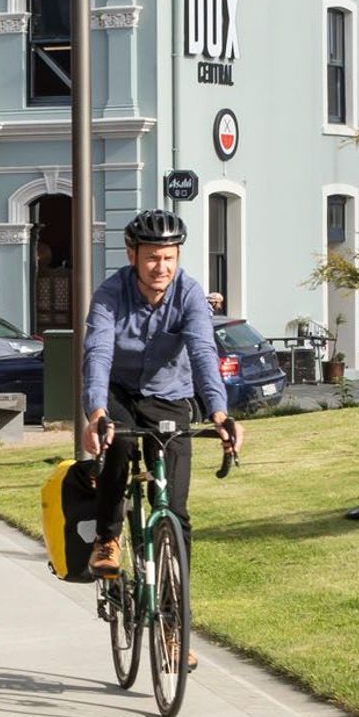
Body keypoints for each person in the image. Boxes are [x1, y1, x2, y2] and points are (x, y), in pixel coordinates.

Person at [76, 210, 241, 589]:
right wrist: (96, 412)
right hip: (119, 391)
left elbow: (202, 353)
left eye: (169, 257)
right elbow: (98, 354)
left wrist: (219, 414)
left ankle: (173, 617)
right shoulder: (110, 294)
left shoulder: (190, 294)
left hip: (169, 395)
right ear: (132, 255)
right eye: (152, 257)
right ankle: (107, 538)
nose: (160, 267)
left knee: (175, 509)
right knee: (119, 441)